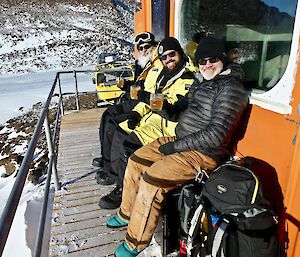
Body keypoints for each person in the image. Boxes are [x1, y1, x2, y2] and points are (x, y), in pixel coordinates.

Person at [106, 37, 249, 257]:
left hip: (203, 154)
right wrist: (162, 107)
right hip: (181, 141)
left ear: (222, 60)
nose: (206, 65)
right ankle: (126, 213)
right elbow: (177, 112)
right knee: (136, 160)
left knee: (152, 180)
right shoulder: (203, 82)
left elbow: (216, 136)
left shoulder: (231, 88)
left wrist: (175, 147)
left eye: (212, 60)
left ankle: (136, 242)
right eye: (202, 61)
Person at [98, 37, 196, 209]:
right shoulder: (166, 74)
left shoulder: (188, 80)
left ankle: (124, 190)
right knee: (120, 130)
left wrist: (149, 100)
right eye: (164, 57)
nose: (168, 60)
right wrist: (136, 114)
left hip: (168, 128)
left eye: (171, 54)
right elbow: (153, 101)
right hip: (152, 119)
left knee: (127, 144)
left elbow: (174, 113)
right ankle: (118, 178)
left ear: (179, 53)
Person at [92, 32, 162, 184]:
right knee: (107, 115)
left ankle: (112, 169)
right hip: (136, 100)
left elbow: (151, 90)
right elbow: (139, 85)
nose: (144, 50)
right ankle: (106, 158)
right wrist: (127, 86)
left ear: (154, 46)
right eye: (140, 47)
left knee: (113, 122)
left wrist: (137, 93)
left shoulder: (157, 64)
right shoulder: (142, 63)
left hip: (143, 104)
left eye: (147, 46)